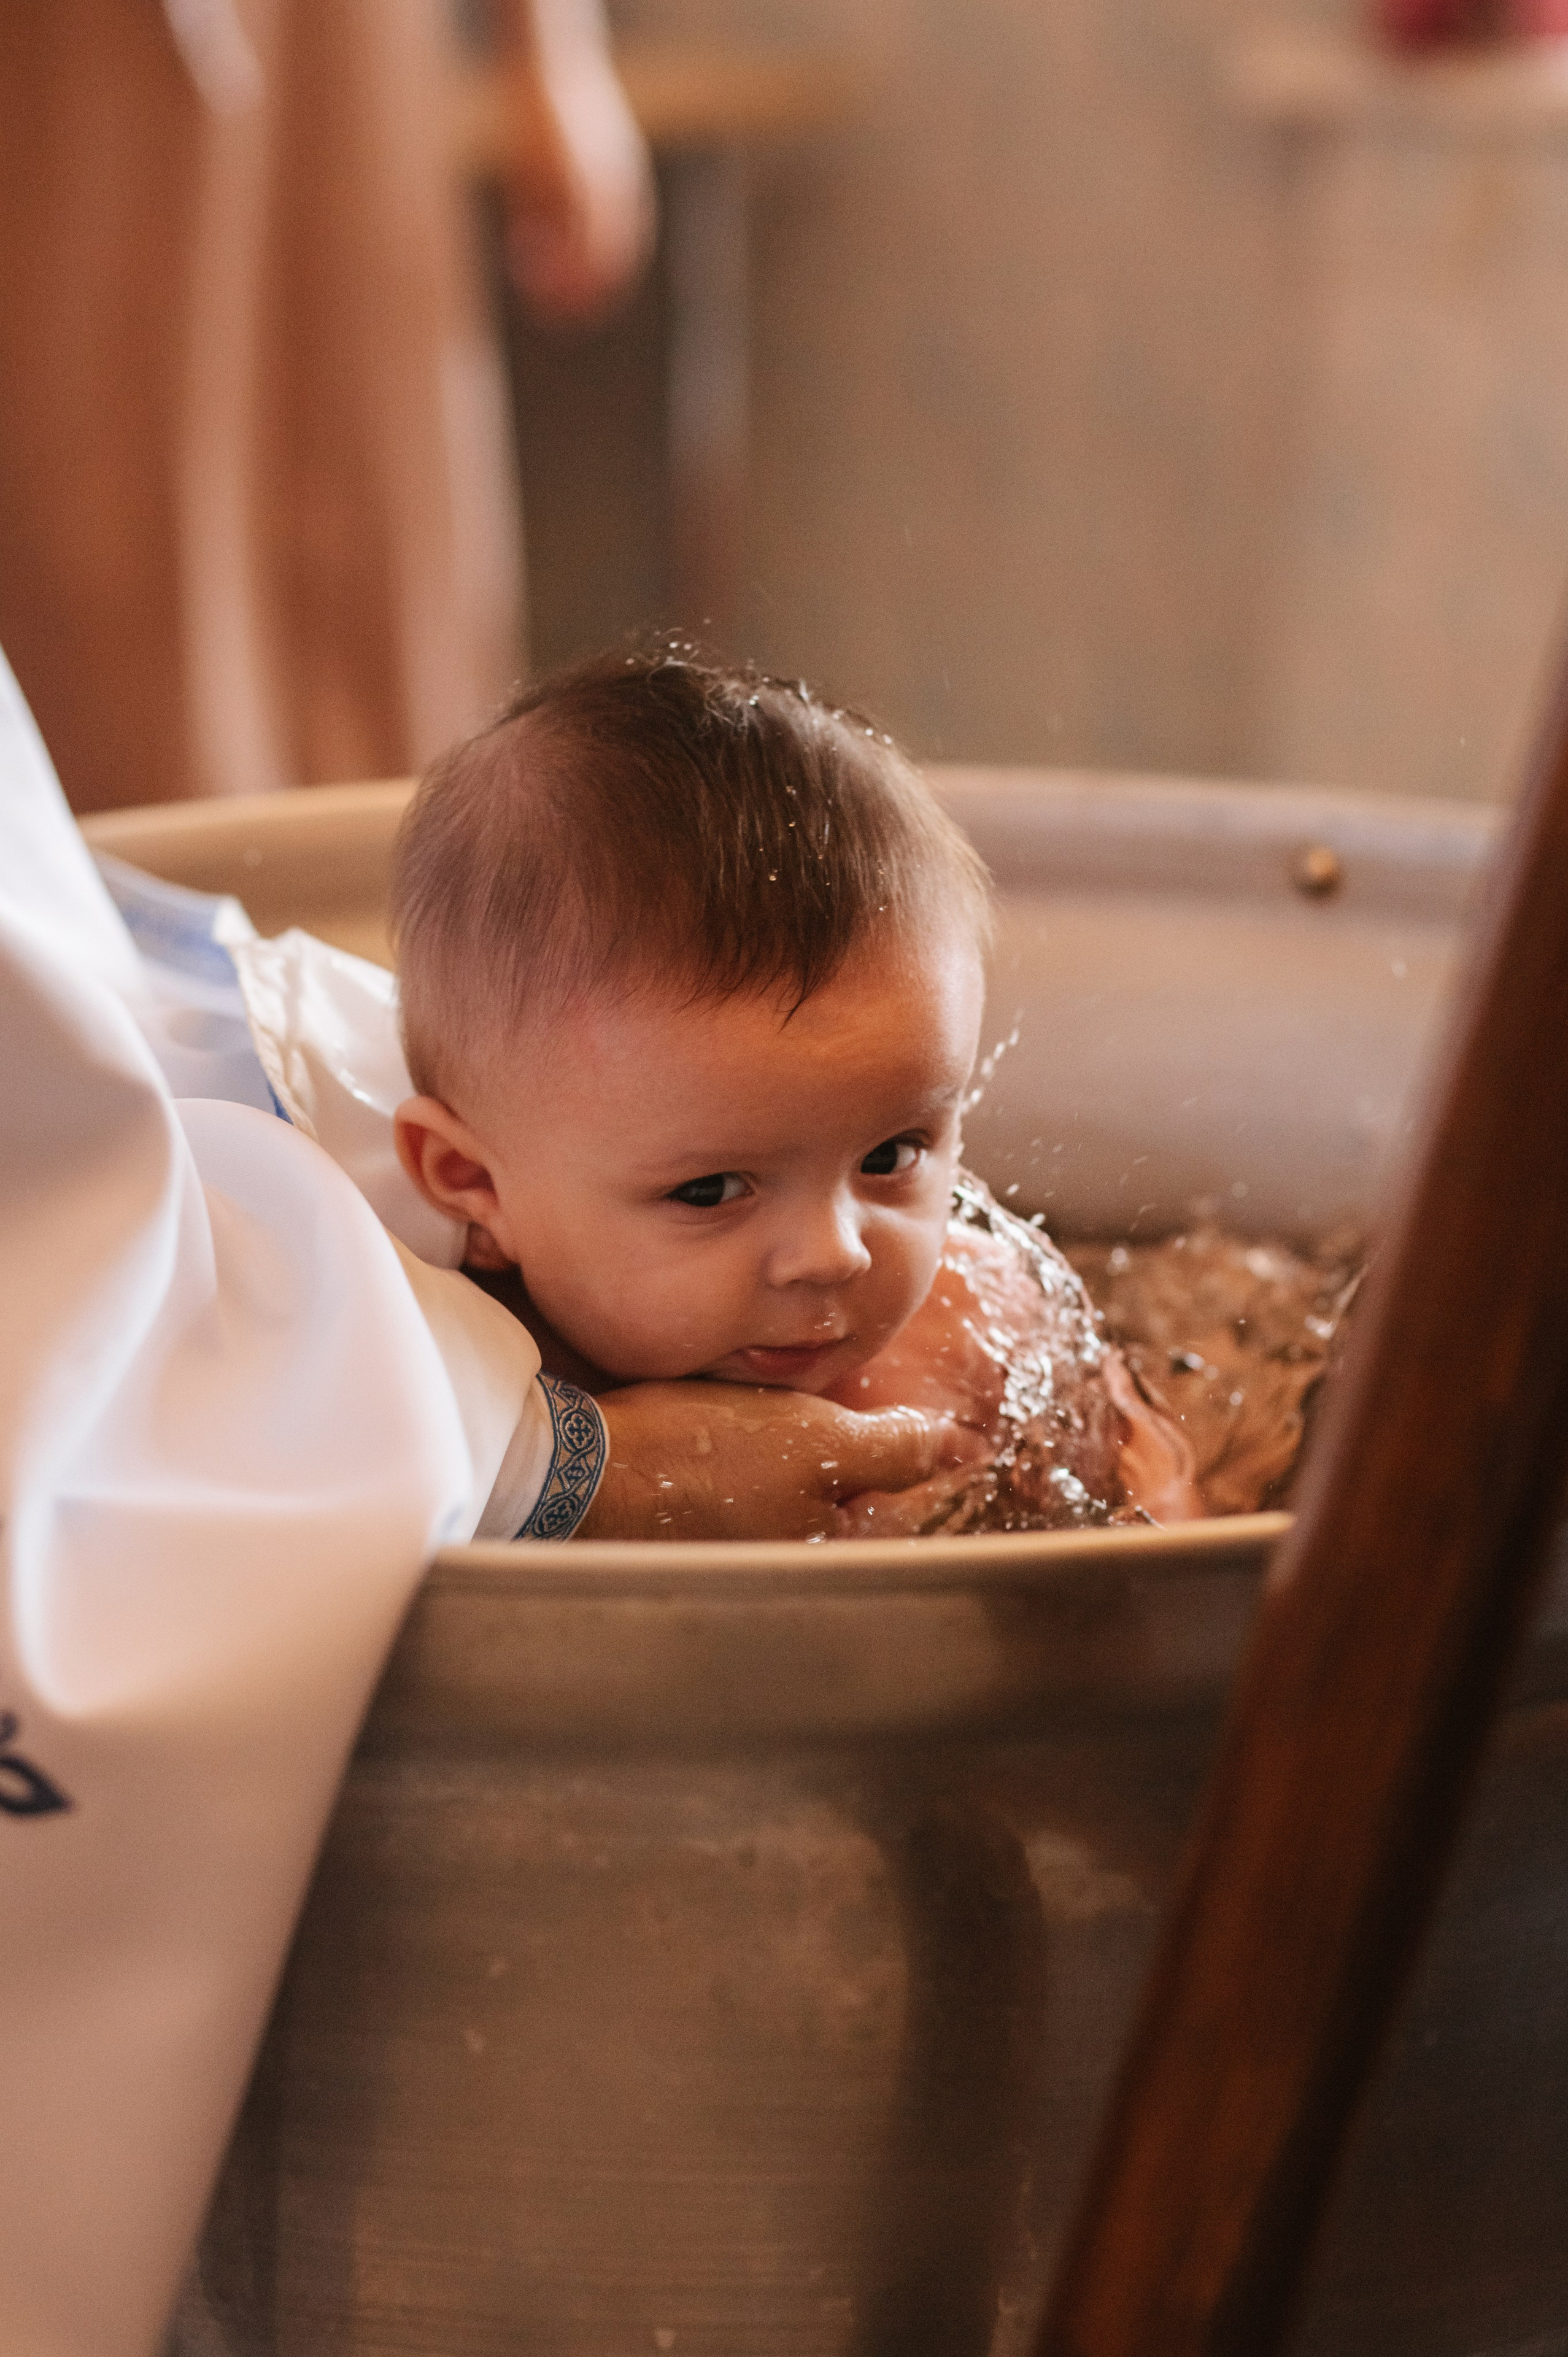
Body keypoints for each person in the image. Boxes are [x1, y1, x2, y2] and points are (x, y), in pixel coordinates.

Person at [390, 647, 1200, 1535]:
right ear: (475, 1183)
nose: (834, 1253)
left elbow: (1156, 1522)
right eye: (710, 1190)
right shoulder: (456, 1398)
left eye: (890, 1155)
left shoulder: (980, 1328)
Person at [0, 0, 652, 815]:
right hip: (61, 63)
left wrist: (554, 50)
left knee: (383, 537)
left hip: (347, 49)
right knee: (107, 567)